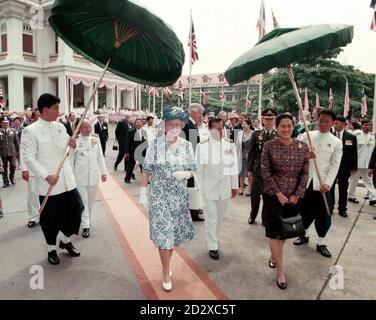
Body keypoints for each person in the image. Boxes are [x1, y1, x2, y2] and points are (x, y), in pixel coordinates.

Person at [21, 93, 84, 266]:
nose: (58, 111)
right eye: (55, 107)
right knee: (50, 220)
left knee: (77, 210)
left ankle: (65, 240)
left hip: (67, 180)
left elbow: (67, 150)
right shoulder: (30, 130)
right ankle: (51, 249)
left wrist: (72, 144)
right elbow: (29, 158)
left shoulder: (60, 127)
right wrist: (46, 175)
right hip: (48, 183)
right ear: (45, 109)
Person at [139, 107, 196, 292]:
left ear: (182, 126)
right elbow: (146, 170)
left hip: (178, 197)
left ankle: (167, 265)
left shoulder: (187, 145)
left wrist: (186, 173)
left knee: (172, 236)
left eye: (178, 125)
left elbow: (193, 168)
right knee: (164, 235)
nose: (174, 127)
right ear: (164, 126)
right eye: (171, 124)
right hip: (159, 196)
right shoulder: (155, 145)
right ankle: (165, 271)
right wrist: (142, 194)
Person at [261, 113, 309, 290]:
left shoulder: (302, 147)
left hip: (294, 197)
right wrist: (278, 194)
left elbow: (305, 173)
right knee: (274, 233)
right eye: (283, 126)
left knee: (286, 231)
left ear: (293, 126)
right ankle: (281, 271)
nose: (286, 129)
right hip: (273, 196)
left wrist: (298, 194)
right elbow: (265, 172)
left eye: (289, 125)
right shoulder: (269, 146)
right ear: (277, 127)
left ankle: (274, 256)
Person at [295, 109, 343, 258]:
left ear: (332, 123)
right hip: (306, 182)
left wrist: (328, 184)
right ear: (317, 120)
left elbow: (335, 165)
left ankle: (321, 242)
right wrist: (305, 155)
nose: (323, 124)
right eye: (321, 120)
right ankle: (305, 235)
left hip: (322, 185)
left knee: (324, 214)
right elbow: (296, 154)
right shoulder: (306, 136)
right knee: (304, 211)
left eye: (327, 121)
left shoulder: (336, 142)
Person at [196, 117, 238, 260]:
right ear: (209, 130)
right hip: (209, 189)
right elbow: (199, 171)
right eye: (216, 129)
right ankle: (212, 246)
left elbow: (233, 166)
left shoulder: (229, 145)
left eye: (221, 128)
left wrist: (234, 186)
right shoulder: (202, 146)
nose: (219, 132)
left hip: (224, 188)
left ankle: (214, 237)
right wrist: (200, 191)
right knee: (211, 218)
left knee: (219, 217)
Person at [71, 120, 107, 238]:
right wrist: (70, 177)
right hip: (80, 177)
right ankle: (86, 225)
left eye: (90, 127)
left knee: (91, 201)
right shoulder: (75, 141)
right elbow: (71, 161)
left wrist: (104, 172)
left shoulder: (95, 140)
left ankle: (87, 219)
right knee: (84, 201)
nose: (89, 130)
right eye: (86, 128)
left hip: (93, 177)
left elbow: (100, 157)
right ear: (80, 129)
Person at [247, 108, 278, 225]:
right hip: (258, 170)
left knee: (268, 196)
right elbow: (251, 153)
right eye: (266, 119)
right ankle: (252, 216)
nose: (269, 122)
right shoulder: (256, 134)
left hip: (272, 172)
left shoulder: (278, 135)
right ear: (262, 120)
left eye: (271, 119)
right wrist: (249, 170)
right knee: (255, 196)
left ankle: (265, 218)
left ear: (274, 121)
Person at [330, 116, 358, 217]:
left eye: (337, 123)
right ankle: (330, 207)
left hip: (344, 168)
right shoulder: (330, 136)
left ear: (343, 124)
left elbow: (354, 153)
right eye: (334, 123)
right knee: (330, 188)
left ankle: (342, 208)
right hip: (331, 168)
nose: (334, 125)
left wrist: (354, 167)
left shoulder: (351, 137)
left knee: (343, 189)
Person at [182, 103, 205, 222]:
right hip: (188, 161)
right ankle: (192, 213)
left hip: (192, 160)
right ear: (193, 112)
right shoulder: (187, 125)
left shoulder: (192, 124)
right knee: (190, 186)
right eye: (200, 113)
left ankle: (193, 210)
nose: (201, 115)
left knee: (192, 186)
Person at [20, 110, 41, 228]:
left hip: (45, 169)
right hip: (32, 169)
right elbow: (23, 151)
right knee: (33, 193)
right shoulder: (27, 130)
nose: (40, 118)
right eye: (37, 116)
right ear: (32, 118)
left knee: (44, 194)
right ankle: (33, 217)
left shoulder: (46, 128)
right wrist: (24, 169)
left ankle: (44, 215)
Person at [348, 119, 376, 206]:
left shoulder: (372, 137)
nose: (367, 127)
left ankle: (373, 198)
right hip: (357, 163)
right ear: (362, 126)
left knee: (369, 181)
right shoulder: (356, 135)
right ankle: (351, 196)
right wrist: (351, 164)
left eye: (369, 125)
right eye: (365, 125)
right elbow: (351, 150)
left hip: (367, 164)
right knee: (353, 180)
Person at [124, 119, 147, 184]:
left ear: (142, 124)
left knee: (143, 167)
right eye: (137, 123)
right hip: (132, 152)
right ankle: (127, 179)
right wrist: (126, 152)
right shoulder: (130, 132)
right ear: (135, 123)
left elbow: (145, 142)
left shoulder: (144, 132)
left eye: (140, 123)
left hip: (141, 152)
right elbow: (127, 142)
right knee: (130, 166)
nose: (138, 124)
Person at [0, 117, 20, 187]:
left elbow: (16, 142)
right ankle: (6, 181)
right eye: (4, 123)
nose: (6, 124)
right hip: (3, 153)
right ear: (1, 124)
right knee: (4, 168)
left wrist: (18, 151)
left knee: (13, 166)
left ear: (9, 124)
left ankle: (12, 177)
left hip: (12, 152)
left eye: (7, 123)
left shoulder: (13, 131)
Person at [236, 119, 253, 196]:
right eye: (242, 124)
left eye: (245, 124)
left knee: (250, 175)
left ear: (249, 125)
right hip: (241, 155)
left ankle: (249, 189)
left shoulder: (253, 133)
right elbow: (237, 145)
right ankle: (241, 188)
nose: (243, 126)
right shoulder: (240, 133)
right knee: (241, 173)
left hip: (250, 156)